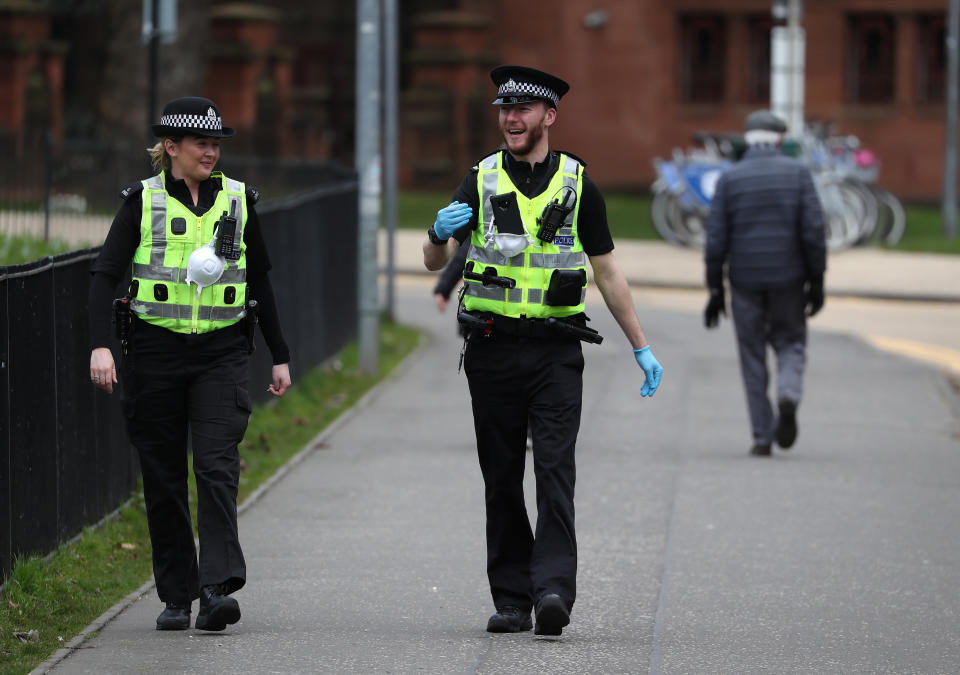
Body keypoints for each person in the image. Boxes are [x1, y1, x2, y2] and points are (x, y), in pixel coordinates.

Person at [422, 65, 663, 637]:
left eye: (523, 110)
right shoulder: (478, 180)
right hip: (490, 348)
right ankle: (511, 599)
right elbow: (435, 264)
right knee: (501, 476)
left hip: (556, 353)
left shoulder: (578, 185)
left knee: (555, 470)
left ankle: (553, 589)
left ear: (548, 117)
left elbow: (607, 272)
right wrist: (436, 234)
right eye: (504, 110)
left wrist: (641, 347)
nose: (511, 119)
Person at [88, 96, 292, 631]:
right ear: (171, 148)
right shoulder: (143, 201)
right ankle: (177, 594)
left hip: (221, 352)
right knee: (163, 476)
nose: (212, 151)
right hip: (153, 352)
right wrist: (100, 344)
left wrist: (280, 354)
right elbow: (104, 277)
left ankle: (216, 588)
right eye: (201, 143)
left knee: (216, 466)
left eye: (217, 143)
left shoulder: (240, 200)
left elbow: (261, 280)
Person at [703, 109, 826, 457]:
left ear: (747, 141)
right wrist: (816, 282)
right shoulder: (799, 174)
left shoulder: (731, 179)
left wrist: (715, 289)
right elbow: (814, 234)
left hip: (744, 281)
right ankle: (789, 393)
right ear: (780, 140)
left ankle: (761, 435)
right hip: (789, 279)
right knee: (790, 344)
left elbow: (715, 241)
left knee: (752, 355)